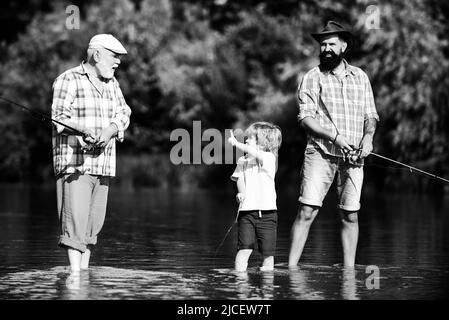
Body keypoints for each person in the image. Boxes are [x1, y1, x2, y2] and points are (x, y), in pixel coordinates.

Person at [288, 21, 379, 268]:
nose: (326, 48)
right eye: (323, 44)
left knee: (350, 214)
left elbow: (370, 116)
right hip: (320, 152)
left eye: (331, 44)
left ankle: (348, 271)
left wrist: (368, 138)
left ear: (344, 46)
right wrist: (336, 138)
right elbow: (306, 119)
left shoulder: (361, 77)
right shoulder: (312, 77)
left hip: (354, 158)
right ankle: (291, 268)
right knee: (307, 211)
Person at [51, 34, 131, 273]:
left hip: (103, 166)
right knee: (74, 225)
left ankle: (81, 277)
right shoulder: (68, 79)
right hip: (75, 166)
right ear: (97, 55)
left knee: (92, 227)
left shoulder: (113, 84)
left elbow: (124, 112)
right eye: (114, 56)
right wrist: (83, 130)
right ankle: (75, 281)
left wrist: (110, 130)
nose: (118, 62)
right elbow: (59, 117)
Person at [228, 122, 282, 271]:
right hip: (247, 212)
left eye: (250, 139)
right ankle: (240, 280)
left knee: (268, 253)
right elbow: (239, 179)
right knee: (244, 248)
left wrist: (236, 144)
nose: (246, 141)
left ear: (263, 143)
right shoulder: (243, 161)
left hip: (268, 213)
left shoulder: (269, 158)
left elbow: (256, 154)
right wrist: (241, 193)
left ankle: (267, 286)